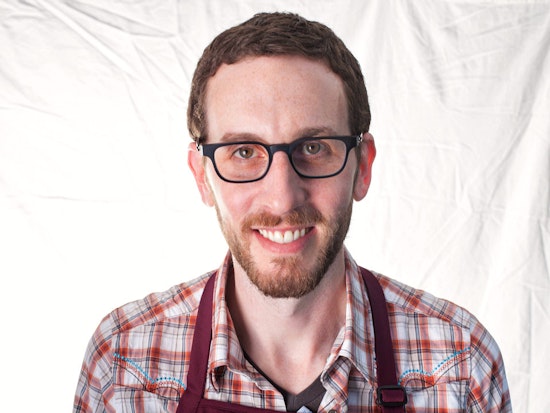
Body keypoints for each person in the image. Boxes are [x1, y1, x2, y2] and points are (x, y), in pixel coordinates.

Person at [73, 12, 512, 413]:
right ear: (202, 177)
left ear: (362, 167)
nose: (283, 199)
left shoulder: (461, 365)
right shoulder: (122, 366)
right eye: (244, 152)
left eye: (314, 148)